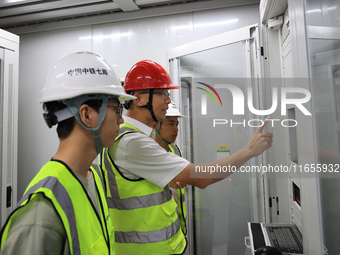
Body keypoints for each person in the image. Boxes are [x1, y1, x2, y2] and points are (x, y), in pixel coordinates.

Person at [100, 59, 273, 254]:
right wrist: (248, 151)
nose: (168, 101)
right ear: (138, 99)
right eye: (162, 93)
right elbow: (202, 178)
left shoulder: (136, 137)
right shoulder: (132, 142)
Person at [0, 51, 135, 255]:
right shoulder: (42, 213)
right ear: (87, 115)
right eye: (116, 109)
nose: (121, 119)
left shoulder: (94, 177)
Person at [153, 102, 188, 237]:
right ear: (156, 126)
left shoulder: (175, 150)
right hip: (158, 232)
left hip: (177, 227)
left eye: (177, 124)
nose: (176, 129)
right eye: (170, 124)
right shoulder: (148, 153)